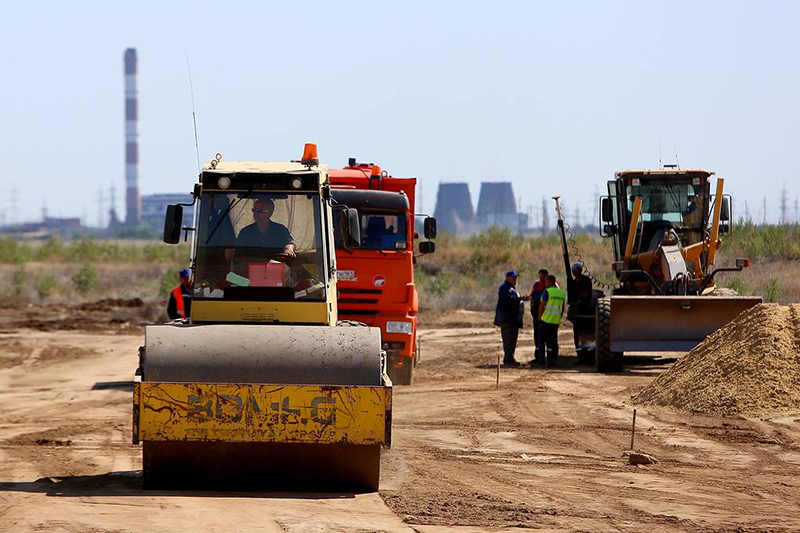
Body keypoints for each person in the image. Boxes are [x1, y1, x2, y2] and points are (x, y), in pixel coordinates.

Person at [493, 270, 530, 367]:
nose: (516, 280)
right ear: (507, 278)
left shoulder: (512, 289)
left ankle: (510, 358)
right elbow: (508, 301)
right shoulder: (504, 288)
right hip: (507, 319)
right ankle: (508, 359)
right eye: (513, 278)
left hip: (513, 320)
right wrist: (521, 299)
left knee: (512, 340)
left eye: (516, 278)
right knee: (508, 340)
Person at [535, 274, 565, 368]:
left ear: (550, 281)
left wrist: (539, 316)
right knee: (553, 341)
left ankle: (542, 361)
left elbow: (542, 305)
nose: (545, 283)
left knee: (541, 341)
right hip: (555, 321)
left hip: (545, 320)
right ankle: (553, 361)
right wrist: (559, 317)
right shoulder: (561, 293)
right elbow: (562, 307)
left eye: (546, 281)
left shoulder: (547, 291)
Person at [528, 269, 548, 351]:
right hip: (536, 315)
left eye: (543, 278)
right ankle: (538, 354)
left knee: (545, 335)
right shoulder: (536, 285)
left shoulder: (549, 286)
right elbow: (532, 296)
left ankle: (545, 355)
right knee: (537, 334)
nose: (541, 279)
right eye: (540, 277)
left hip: (545, 315)